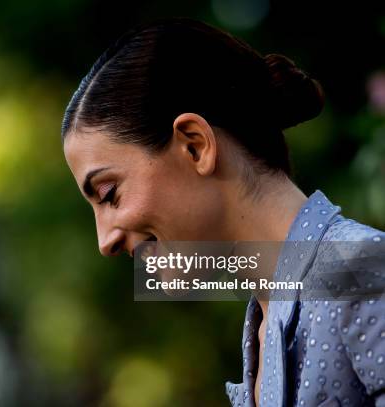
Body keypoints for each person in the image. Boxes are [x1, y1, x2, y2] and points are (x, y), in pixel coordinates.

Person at [60, 17, 385, 407]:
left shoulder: (361, 273)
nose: (105, 241)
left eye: (109, 194)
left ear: (195, 146)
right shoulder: (263, 329)